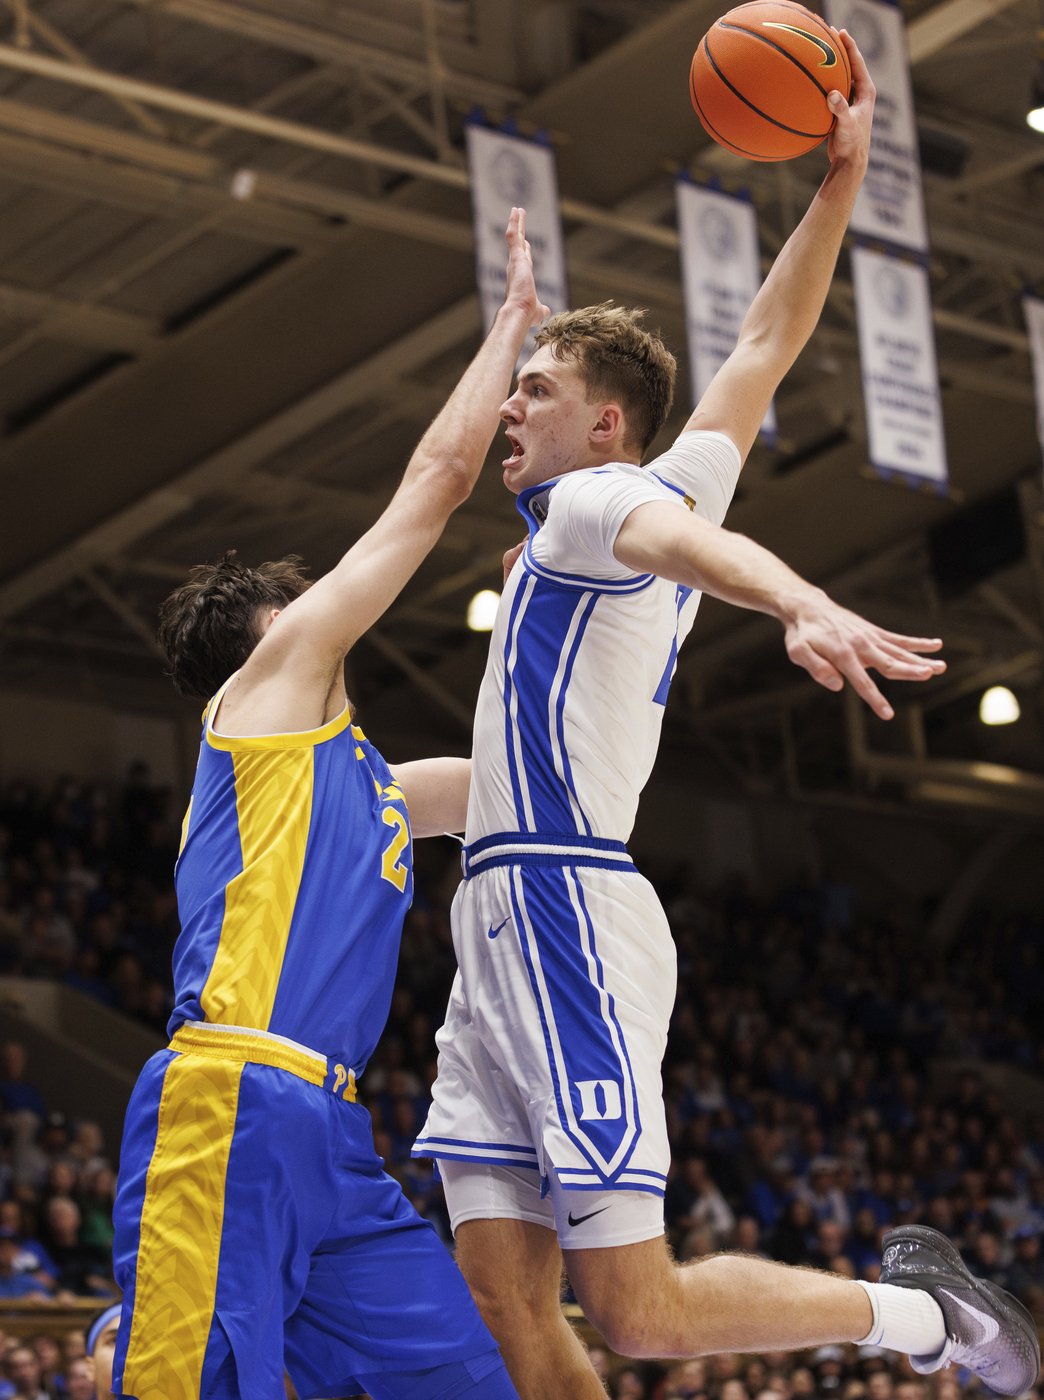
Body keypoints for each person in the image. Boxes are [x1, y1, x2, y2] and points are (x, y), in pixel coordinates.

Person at [414, 33, 1041, 1400]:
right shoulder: (621, 500)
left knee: (630, 1311)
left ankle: (920, 1316)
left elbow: (696, 551)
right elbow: (762, 345)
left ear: (606, 428)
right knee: (503, 1303)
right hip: (511, 896)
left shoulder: (596, 507)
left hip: (564, 912)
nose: (512, 401)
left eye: (539, 387)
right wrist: (838, 186)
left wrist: (800, 600)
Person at [108, 212, 547, 1400]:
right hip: (230, 1100)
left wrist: (568, 598)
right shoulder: (264, 701)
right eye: (294, 605)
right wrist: (512, 328)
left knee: (469, 1380)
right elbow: (439, 479)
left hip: (334, 1136)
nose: (319, 606)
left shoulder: (378, 787)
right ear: (265, 639)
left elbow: (539, 784)